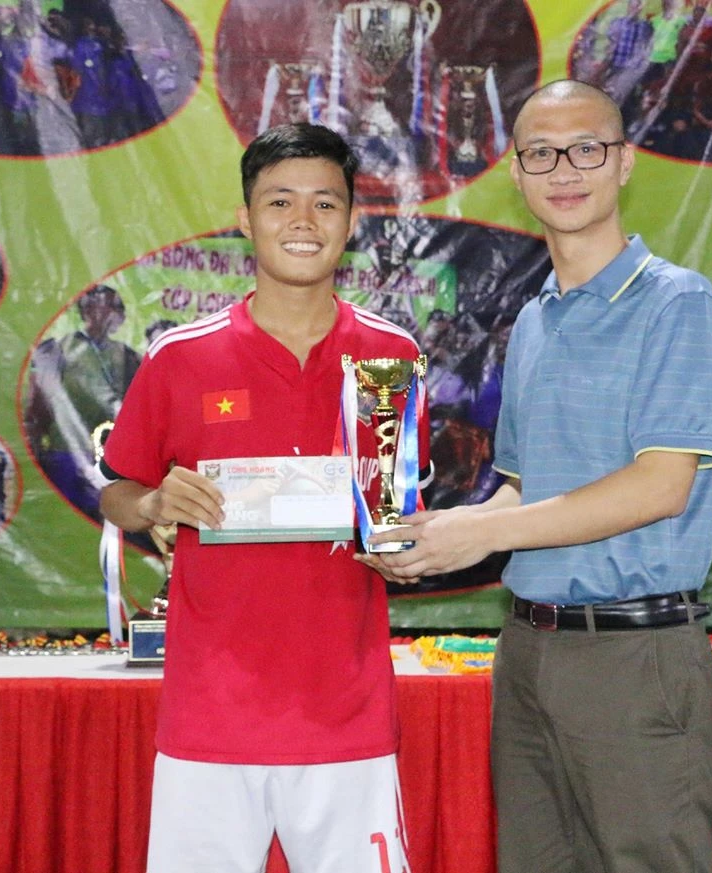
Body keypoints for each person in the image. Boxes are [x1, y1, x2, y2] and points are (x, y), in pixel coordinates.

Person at [374, 80, 712, 873]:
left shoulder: (675, 303)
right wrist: (436, 534)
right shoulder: (534, 319)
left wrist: (485, 532)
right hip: (529, 650)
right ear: (517, 172)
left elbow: (660, 486)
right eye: (541, 153)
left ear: (624, 162)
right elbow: (522, 488)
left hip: (633, 656)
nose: (564, 170)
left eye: (585, 149)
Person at [97, 122, 430, 873]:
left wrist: (402, 548)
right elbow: (119, 492)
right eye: (280, 201)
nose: (303, 221)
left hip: (346, 717)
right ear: (245, 218)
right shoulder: (181, 356)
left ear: (352, 221)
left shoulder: (391, 358)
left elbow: (395, 516)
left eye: (325, 203)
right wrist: (151, 507)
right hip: (209, 718)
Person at [25, 284, 141, 520]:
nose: (111, 313)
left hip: (111, 457)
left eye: (115, 308)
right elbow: (38, 402)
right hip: (65, 451)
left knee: (104, 520)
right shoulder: (58, 349)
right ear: (86, 310)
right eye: (104, 306)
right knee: (63, 517)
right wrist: (35, 442)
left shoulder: (128, 356)